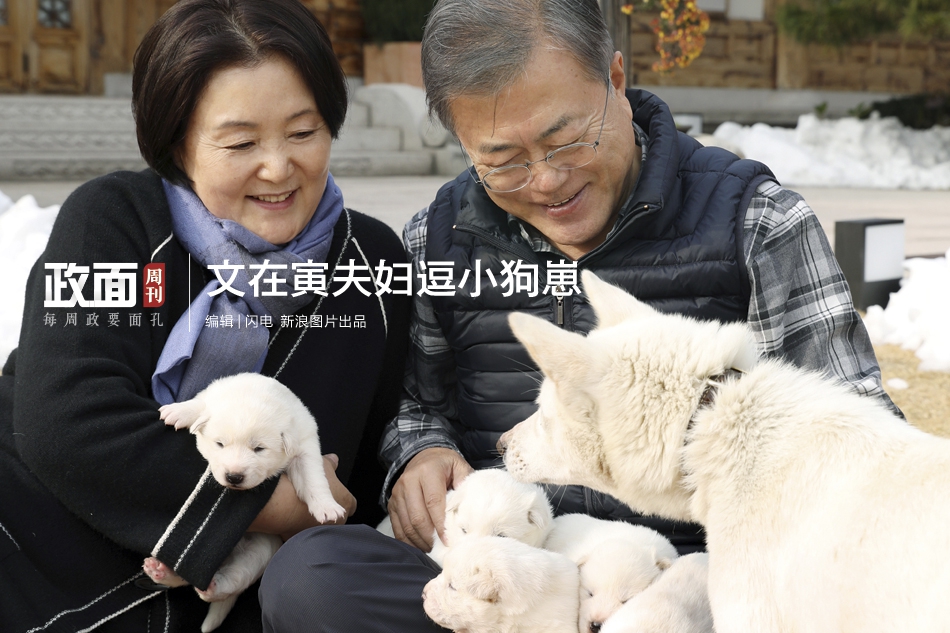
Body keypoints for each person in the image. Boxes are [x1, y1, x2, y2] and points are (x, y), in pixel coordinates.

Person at [258, 0, 902, 631]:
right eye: (502, 161)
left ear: (616, 79)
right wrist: (420, 452)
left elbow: (858, 444)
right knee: (311, 579)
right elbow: (417, 405)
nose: (546, 181)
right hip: (506, 573)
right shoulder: (438, 239)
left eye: (565, 140)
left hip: (681, 574)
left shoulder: (756, 223)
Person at [0, 0, 410, 631]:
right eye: (241, 143)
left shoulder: (371, 261)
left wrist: (419, 456)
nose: (278, 167)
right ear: (178, 143)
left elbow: (386, 440)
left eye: (303, 133)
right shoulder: (113, 219)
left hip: (237, 593)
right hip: (32, 544)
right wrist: (273, 501)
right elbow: (68, 422)